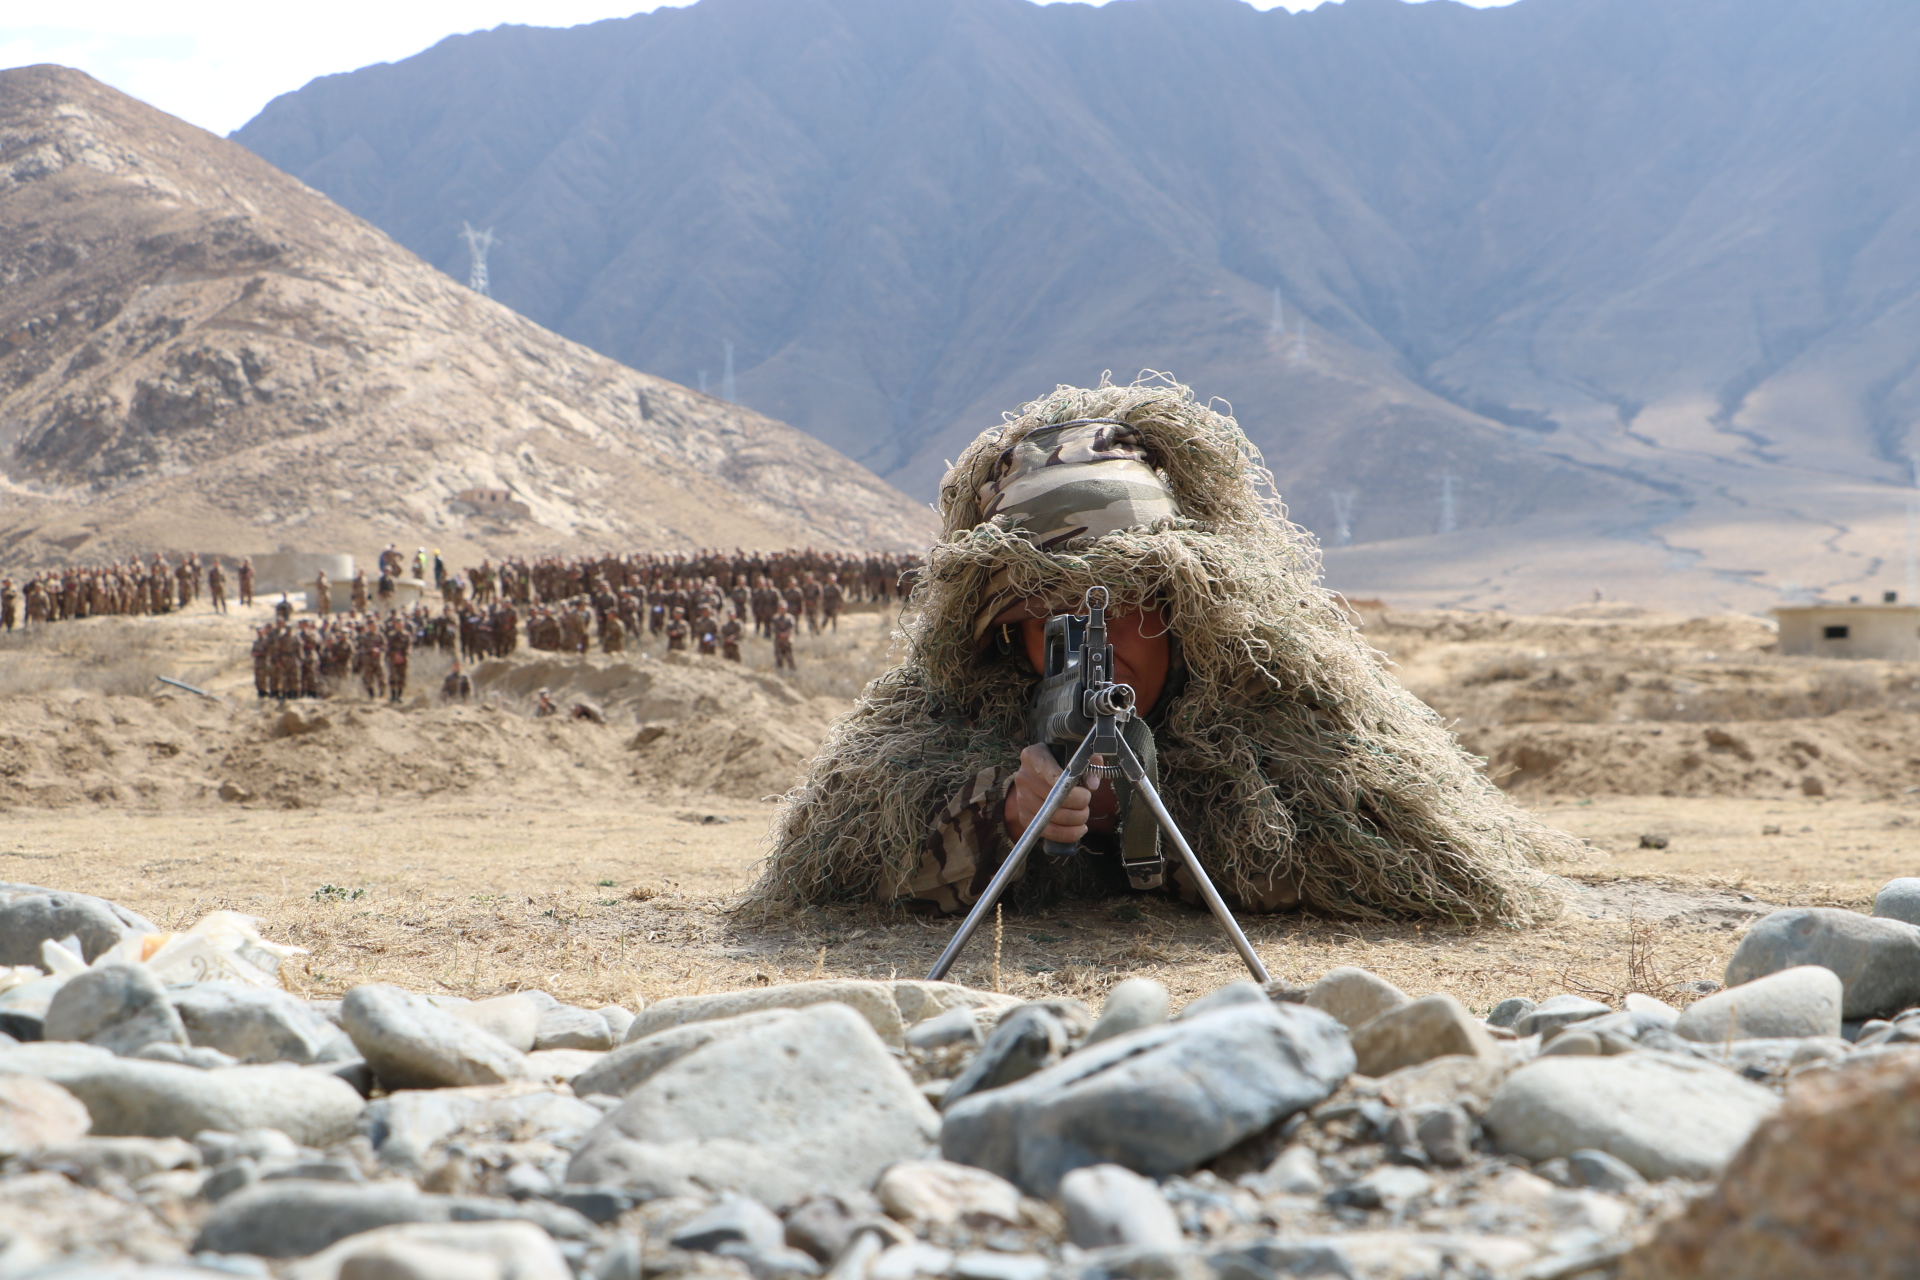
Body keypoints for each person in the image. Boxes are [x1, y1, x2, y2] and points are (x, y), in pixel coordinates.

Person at [754, 378, 1575, 922]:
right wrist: (1000, 817)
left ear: (1185, 606)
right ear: (1007, 629)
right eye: (1059, 617)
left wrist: (1145, 820)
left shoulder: (1268, 689)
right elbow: (826, 865)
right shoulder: (951, 703)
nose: (1097, 645)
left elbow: (1417, 875)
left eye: (1124, 606)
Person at [771, 601, 796, 671]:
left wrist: (786, 634)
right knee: (779, 659)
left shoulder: (790, 618)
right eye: (781, 608)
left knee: (790, 658)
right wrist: (780, 634)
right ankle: (780, 673)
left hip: (787, 641)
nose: (782, 610)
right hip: (778, 641)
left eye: (784, 608)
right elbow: (773, 628)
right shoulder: (775, 618)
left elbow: (791, 628)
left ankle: (793, 673)